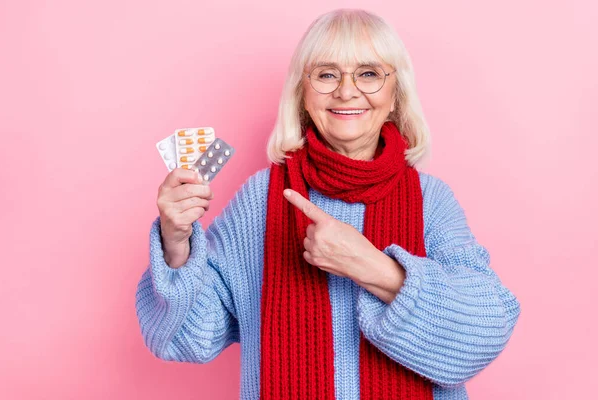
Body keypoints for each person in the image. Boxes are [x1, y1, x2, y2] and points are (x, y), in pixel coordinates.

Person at [135, 8, 521, 400]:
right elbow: (186, 337)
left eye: (369, 74)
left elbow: (485, 333)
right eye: (326, 74)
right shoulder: (261, 199)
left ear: (394, 96)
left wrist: (373, 267)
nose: (347, 91)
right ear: (303, 96)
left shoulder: (431, 201)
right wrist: (176, 242)